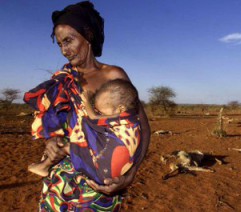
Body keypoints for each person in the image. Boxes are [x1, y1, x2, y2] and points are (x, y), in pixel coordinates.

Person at [24, 1, 150, 211]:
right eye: (60, 44)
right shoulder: (63, 79)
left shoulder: (113, 76)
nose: (65, 50)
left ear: (88, 35)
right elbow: (54, 121)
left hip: (99, 181)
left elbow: (143, 127)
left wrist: (130, 175)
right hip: (60, 178)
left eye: (69, 41)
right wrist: (52, 141)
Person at [28, 79, 142, 186]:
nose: (100, 114)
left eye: (102, 111)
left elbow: (93, 118)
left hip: (104, 168)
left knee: (68, 146)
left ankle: (44, 167)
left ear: (120, 108)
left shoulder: (122, 118)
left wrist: (86, 101)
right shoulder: (133, 118)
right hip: (117, 169)